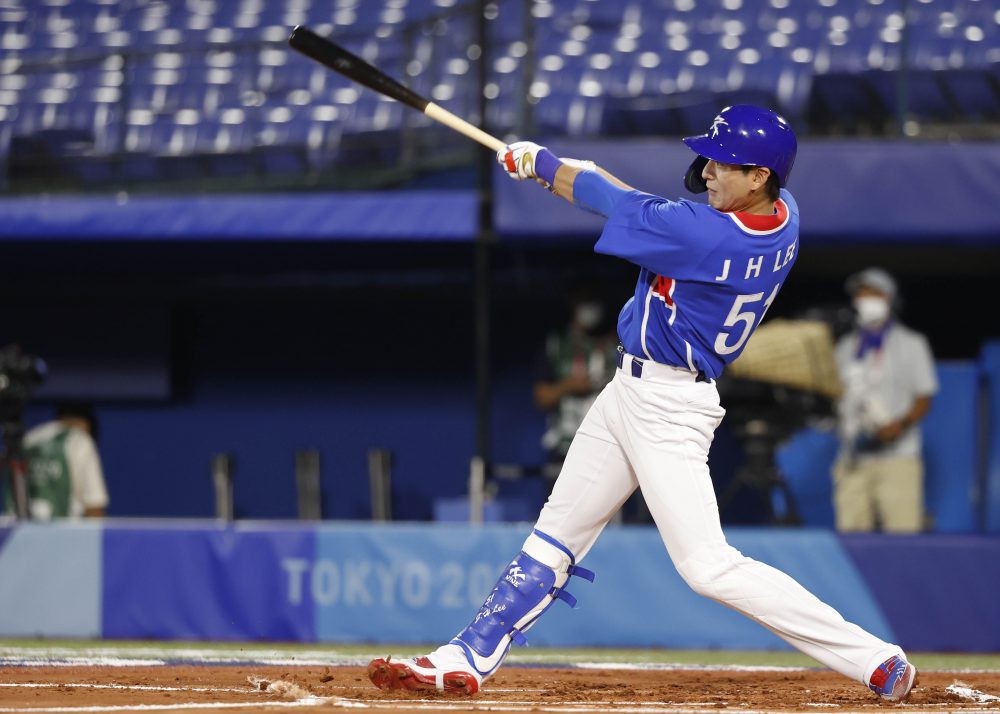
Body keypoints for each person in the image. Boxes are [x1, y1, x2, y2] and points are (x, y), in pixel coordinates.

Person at [366, 105, 916, 703]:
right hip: (631, 391)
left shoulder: (705, 234)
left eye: (723, 163)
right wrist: (569, 170)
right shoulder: (785, 217)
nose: (708, 171)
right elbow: (642, 206)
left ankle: (874, 658)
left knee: (707, 566)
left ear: (760, 176)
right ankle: (467, 656)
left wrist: (541, 164)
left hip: (668, 406)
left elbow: (615, 202)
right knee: (556, 534)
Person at [832, 267, 936, 533]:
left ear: (889, 298)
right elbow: (837, 396)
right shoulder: (845, 347)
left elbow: (924, 396)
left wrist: (899, 426)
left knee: (903, 537)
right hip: (853, 457)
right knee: (851, 539)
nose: (865, 300)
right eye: (861, 294)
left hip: (898, 457)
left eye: (873, 293)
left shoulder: (912, 343)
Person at [534, 291, 619, 473]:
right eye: (585, 301)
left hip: (607, 445)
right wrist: (569, 385)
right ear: (573, 304)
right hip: (566, 446)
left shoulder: (617, 342)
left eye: (593, 300)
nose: (590, 308)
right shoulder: (557, 344)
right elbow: (541, 397)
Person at [5, 402, 109, 520]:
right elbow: (94, 507)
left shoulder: (28, 439)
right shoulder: (81, 440)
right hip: (64, 530)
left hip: (20, 529)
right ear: (85, 424)